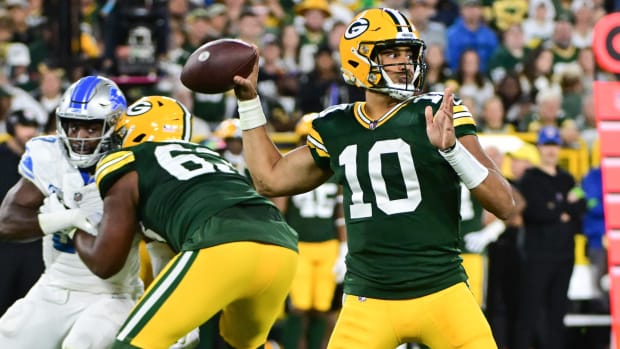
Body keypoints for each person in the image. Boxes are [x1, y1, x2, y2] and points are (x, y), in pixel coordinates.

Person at [233, 7, 515, 349]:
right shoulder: (337, 126)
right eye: (391, 53)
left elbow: (504, 204)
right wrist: (249, 102)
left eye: (408, 54)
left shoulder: (436, 112)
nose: (404, 64)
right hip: (368, 300)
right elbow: (269, 180)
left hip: (444, 292)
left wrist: (453, 150)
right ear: (358, 59)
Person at [67, 95, 298, 349]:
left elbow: (106, 262)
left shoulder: (128, 159)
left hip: (221, 243)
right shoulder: (213, 158)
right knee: (241, 344)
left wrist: (69, 224)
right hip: (283, 248)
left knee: (131, 344)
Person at [0, 75, 144, 349]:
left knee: (82, 343)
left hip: (113, 293)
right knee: (9, 339)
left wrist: (70, 224)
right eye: (73, 126)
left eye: (91, 129)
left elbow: (108, 265)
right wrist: (63, 218)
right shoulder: (49, 155)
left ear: (115, 125)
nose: (79, 138)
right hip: (56, 285)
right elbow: (5, 223)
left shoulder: (132, 165)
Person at [273, 113, 346, 349]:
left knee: (322, 308)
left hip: (328, 245)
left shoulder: (336, 168)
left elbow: (341, 212)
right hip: (300, 243)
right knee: (299, 307)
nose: (309, 146)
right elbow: (279, 209)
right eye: (305, 139)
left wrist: (345, 245)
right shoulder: (291, 170)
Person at [513, 126, 586, 349]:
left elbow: (581, 206)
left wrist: (556, 208)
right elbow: (534, 212)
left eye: (554, 145)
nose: (551, 151)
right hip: (538, 255)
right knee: (530, 309)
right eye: (547, 145)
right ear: (539, 148)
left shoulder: (567, 178)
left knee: (558, 311)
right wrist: (564, 208)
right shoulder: (530, 178)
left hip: (564, 255)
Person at [0, 109, 45, 316]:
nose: (30, 132)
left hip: (34, 242)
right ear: (11, 128)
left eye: (33, 127)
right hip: (4, 244)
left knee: (30, 309)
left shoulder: (41, 160)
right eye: (24, 127)